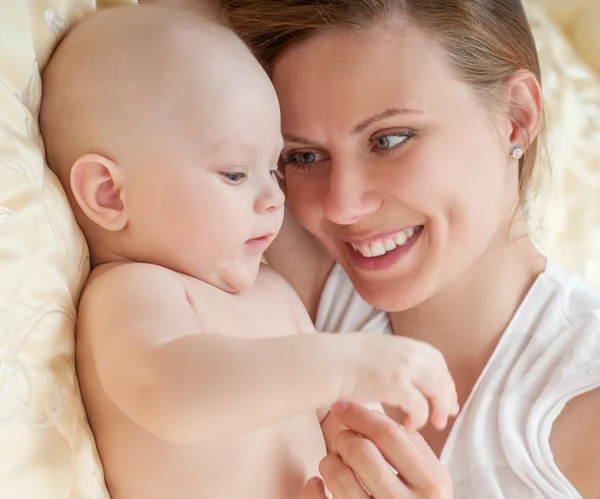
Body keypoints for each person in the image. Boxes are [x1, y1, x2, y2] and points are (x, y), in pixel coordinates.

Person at [38, 5, 459, 499]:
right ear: (109, 194)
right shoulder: (132, 291)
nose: (274, 198)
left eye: (275, 168)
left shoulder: (275, 292)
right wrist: (346, 362)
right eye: (236, 173)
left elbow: (337, 418)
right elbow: (170, 391)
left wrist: (376, 458)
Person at [219, 0, 600, 497]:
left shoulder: (585, 399)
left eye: (390, 138)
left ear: (516, 118)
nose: (341, 205)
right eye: (305, 155)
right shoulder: (300, 283)